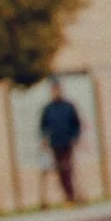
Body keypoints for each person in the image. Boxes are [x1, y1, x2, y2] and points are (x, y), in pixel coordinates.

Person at [40, 78, 84, 207]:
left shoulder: (68, 106)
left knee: (67, 168)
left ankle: (71, 196)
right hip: (55, 143)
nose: (55, 92)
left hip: (67, 142)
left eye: (57, 89)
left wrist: (75, 137)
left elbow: (77, 124)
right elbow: (43, 126)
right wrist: (44, 138)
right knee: (60, 171)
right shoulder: (48, 109)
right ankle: (68, 196)